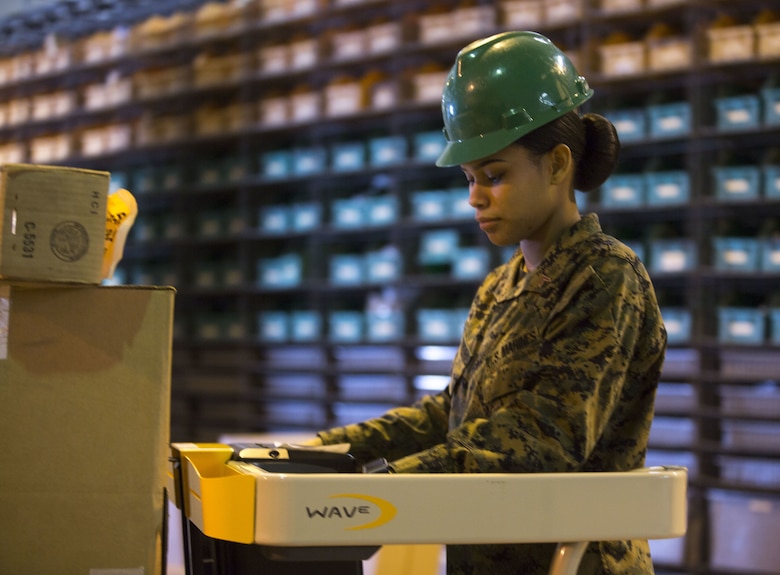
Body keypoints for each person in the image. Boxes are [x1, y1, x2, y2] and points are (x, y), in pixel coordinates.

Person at [306, 31, 667, 575]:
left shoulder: (604, 275)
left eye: (495, 176)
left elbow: (542, 438)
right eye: (470, 178)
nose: (475, 196)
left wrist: (380, 486)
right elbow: (451, 415)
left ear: (557, 164)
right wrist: (324, 453)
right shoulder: (501, 287)